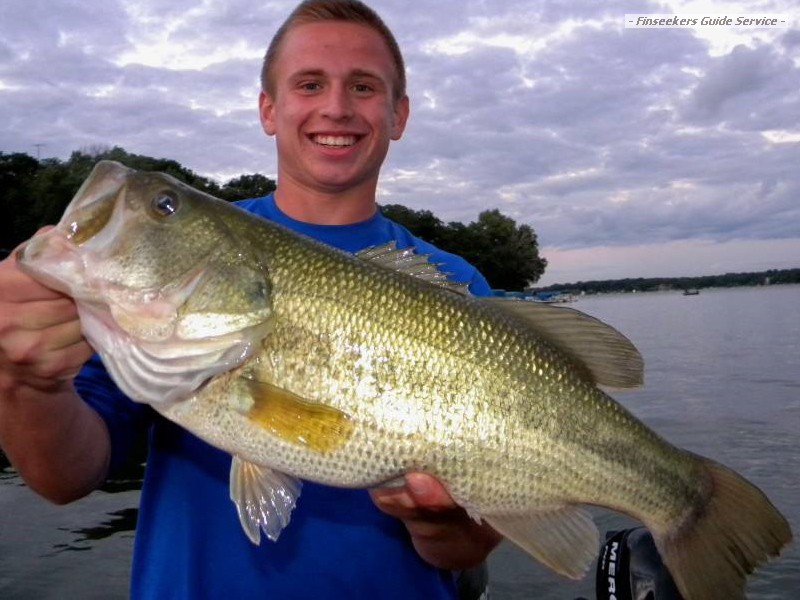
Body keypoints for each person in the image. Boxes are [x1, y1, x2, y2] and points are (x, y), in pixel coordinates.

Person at [0, 1, 502, 598]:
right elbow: (63, 478)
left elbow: (470, 545)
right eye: (309, 83)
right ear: (269, 108)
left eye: (363, 87)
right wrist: (22, 381)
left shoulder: (455, 287)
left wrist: (438, 520)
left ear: (399, 114)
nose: (336, 106)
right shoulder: (138, 312)